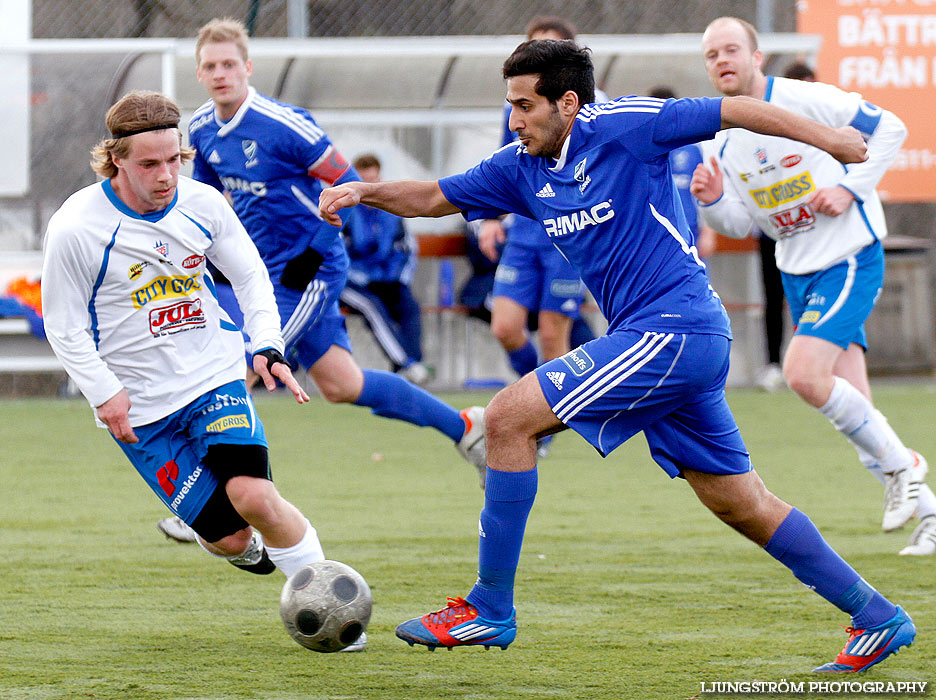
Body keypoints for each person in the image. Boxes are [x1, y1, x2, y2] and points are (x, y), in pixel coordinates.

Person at [319, 39, 917, 672]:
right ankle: (877, 617)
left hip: (676, 329)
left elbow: (737, 109)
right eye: (509, 106)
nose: (514, 120)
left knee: (506, 418)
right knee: (739, 502)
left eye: (525, 106)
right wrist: (362, 192)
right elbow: (434, 196)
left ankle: (489, 608)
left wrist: (834, 142)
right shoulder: (521, 166)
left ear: (568, 103)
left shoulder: (630, 125)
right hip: (665, 343)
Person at [41, 90, 367, 650]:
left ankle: (334, 612)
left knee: (255, 496)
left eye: (175, 160)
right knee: (231, 539)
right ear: (115, 158)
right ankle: (233, 544)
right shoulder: (77, 227)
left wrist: (266, 343)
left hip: (212, 375)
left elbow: (250, 276)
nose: (166, 175)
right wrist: (103, 391)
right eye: (149, 164)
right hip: (138, 405)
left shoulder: (204, 204)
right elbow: (63, 325)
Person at [186, 18, 486, 486]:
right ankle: (466, 429)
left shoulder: (285, 125)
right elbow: (204, 202)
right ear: (199, 74)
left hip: (309, 270)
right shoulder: (201, 129)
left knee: (245, 364)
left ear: (247, 67)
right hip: (262, 272)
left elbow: (350, 188)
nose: (221, 73)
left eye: (229, 63)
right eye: (210, 66)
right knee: (343, 385)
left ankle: (209, 497)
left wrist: (318, 248)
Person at [690, 17, 935, 556]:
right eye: (711, 55)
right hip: (796, 268)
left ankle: (907, 467)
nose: (722, 61)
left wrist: (850, 188)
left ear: (756, 57)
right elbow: (740, 222)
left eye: (731, 50)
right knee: (860, 413)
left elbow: (890, 127)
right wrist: (710, 201)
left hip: (848, 257)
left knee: (803, 374)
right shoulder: (724, 138)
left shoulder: (805, 98)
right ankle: (931, 514)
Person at [480, 16, 597, 457]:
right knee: (506, 327)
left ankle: (541, 425)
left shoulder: (593, 108)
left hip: (567, 237)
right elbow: (501, 167)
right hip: (525, 232)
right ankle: (542, 404)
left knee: (553, 335)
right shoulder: (516, 110)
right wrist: (491, 218)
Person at [339, 153, 429, 385]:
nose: (370, 187)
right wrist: (361, 276)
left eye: (374, 181)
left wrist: (398, 277)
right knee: (372, 307)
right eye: (364, 181)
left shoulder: (392, 208)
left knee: (409, 306)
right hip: (350, 283)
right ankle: (406, 364)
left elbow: (407, 249)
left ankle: (410, 366)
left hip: (387, 279)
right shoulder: (343, 209)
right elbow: (336, 255)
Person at [647, 86, 717, 259]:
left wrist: (709, 232)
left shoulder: (693, 149)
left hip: (690, 232)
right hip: (655, 235)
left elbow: (705, 190)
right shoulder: (643, 151)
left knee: (696, 281)